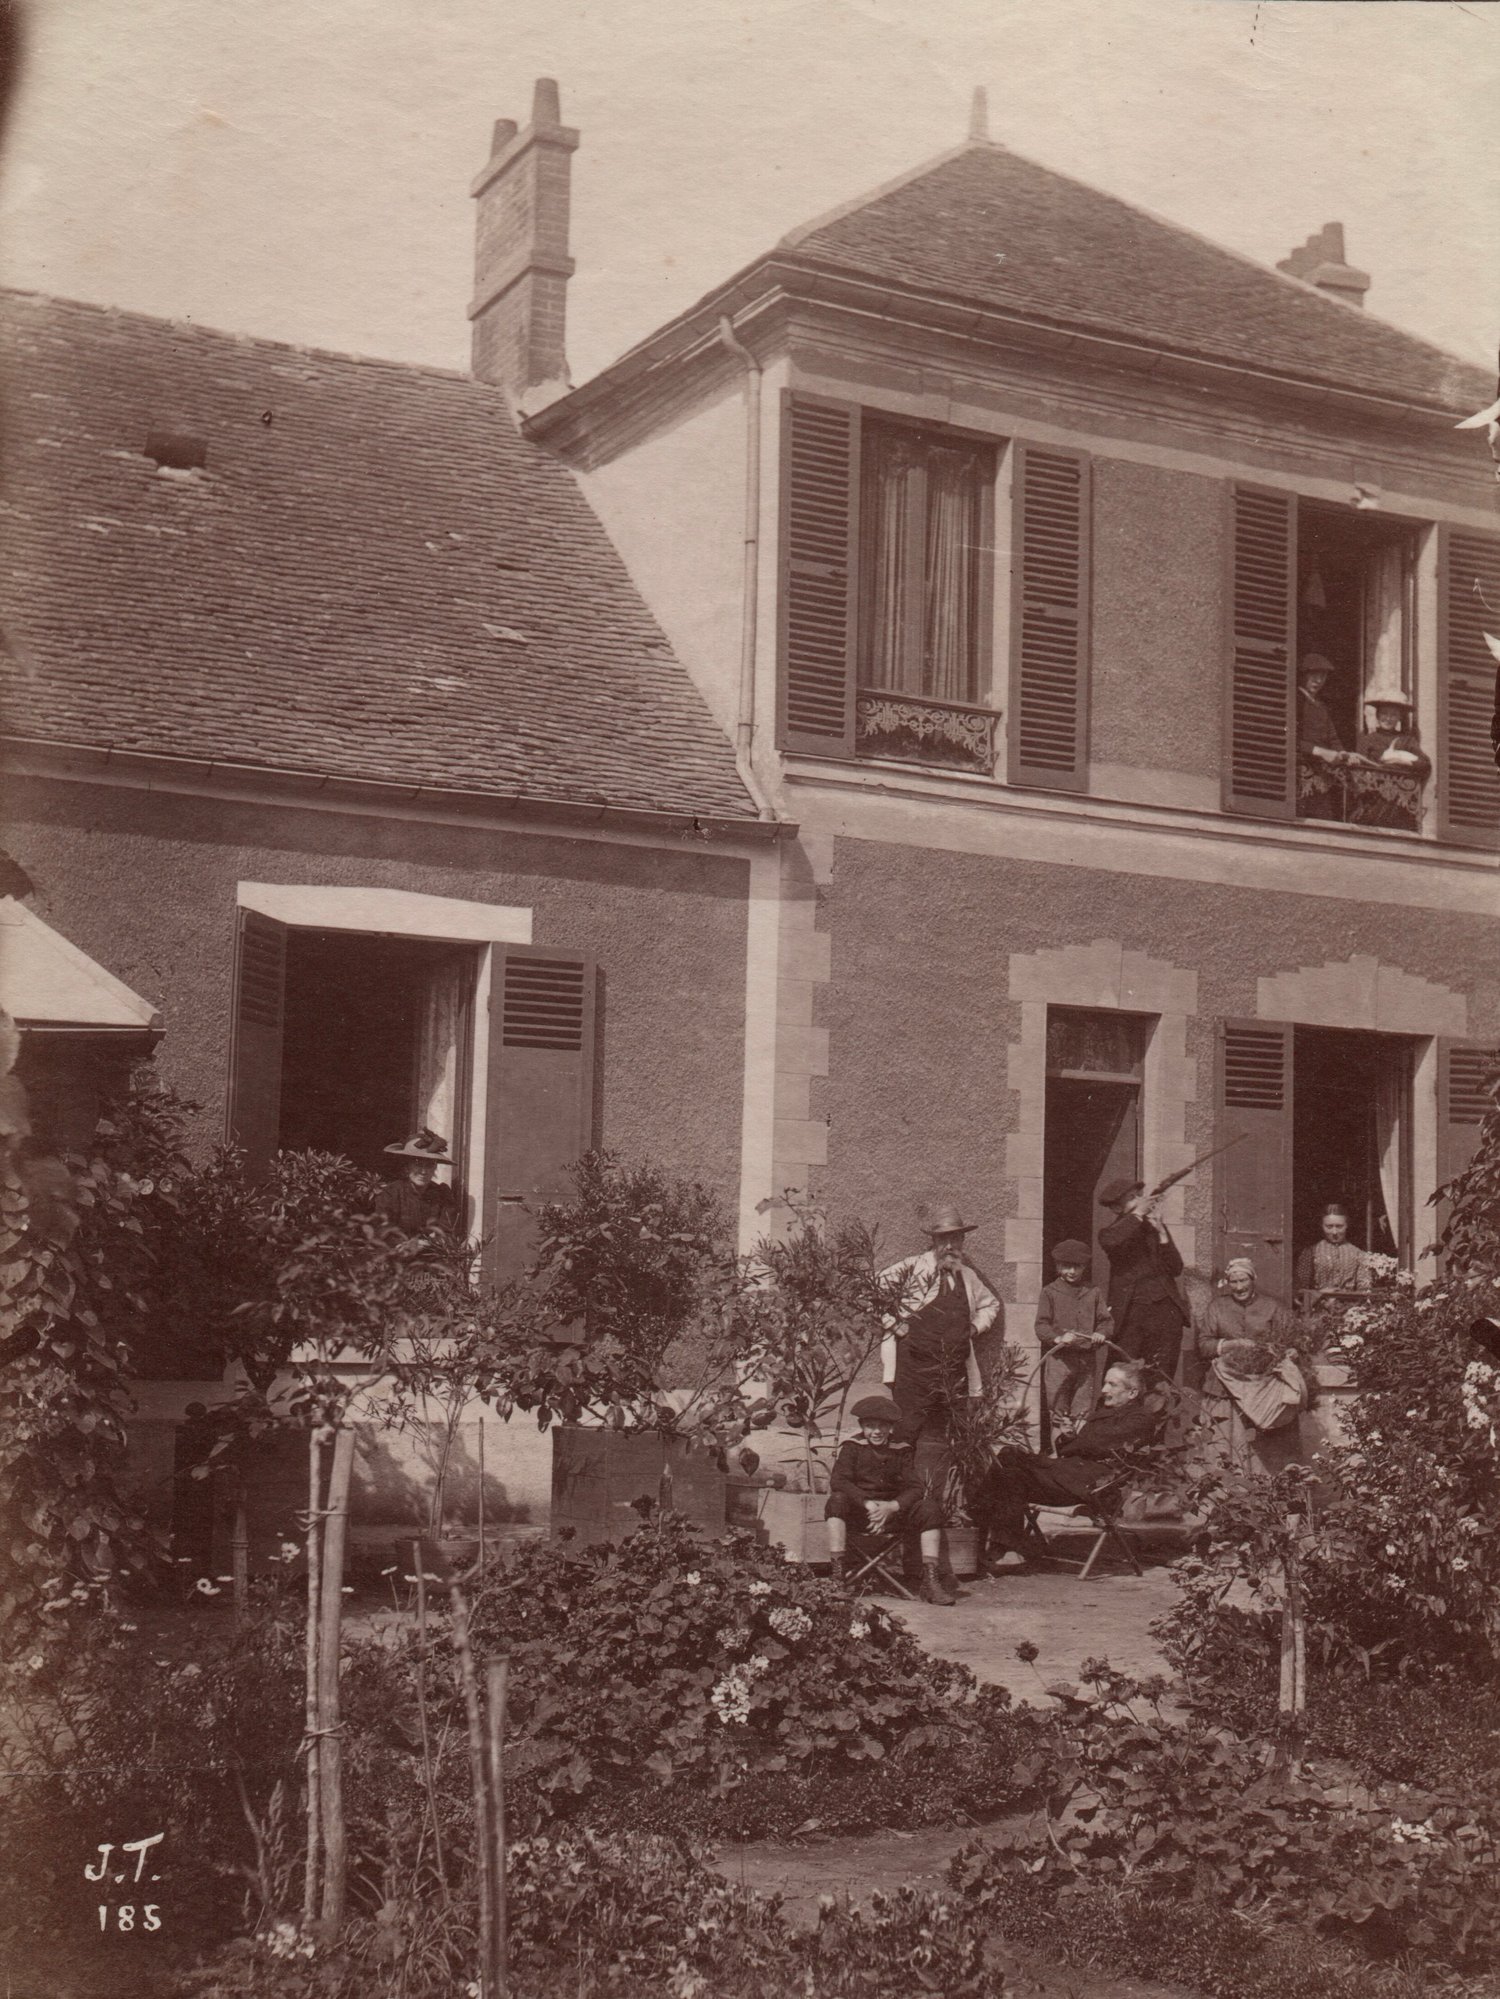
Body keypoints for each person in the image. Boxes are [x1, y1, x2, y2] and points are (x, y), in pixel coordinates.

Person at [972, 1362, 1158, 1569]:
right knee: (1008, 1456)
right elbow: (1082, 1446)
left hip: (1093, 1484)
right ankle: (993, 1537)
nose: (1104, 1390)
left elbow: (1095, 1444)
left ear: (1132, 1393)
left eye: (1112, 1385)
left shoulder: (1141, 1419)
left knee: (1011, 1475)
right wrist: (1069, 1436)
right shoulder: (1104, 1413)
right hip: (1071, 1475)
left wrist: (1076, 1439)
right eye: (1105, 1383)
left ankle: (982, 1530)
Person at [879, 1204, 1001, 1447]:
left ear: (963, 1241)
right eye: (943, 1239)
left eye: (955, 1239)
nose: (949, 1246)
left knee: (949, 1434)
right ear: (933, 1241)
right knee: (907, 1430)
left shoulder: (967, 1276)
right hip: (913, 1370)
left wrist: (975, 1328)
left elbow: (991, 1304)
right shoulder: (912, 1268)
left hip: (953, 1372)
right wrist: (893, 1324)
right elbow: (869, 1292)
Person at [824, 1395, 952, 1605]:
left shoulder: (901, 1450)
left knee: (929, 1508)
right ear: (862, 1426)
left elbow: (915, 1487)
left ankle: (930, 1581)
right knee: (836, 1500)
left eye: (882, 1426)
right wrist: (868, 1503)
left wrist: (892, 1507)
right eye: (870, 1426)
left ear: (891, 1427)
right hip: (859, 1514)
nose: (876, 1432)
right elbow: (839, 1481)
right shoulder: (852, 1447)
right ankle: (838, 1577)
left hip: (893, 1516)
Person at [1097, 1179, 1187, 1385]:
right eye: (1132, 1198)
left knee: (1161, 1377)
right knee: (1121, 1373)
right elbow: (1112, 1240)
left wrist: (1161, 1231)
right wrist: (1138, 1214)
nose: (1140, 1200)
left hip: (1165, 1313)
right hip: (1131, 1315)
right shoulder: (1109, 1233)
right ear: (1116, 1208)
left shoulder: (1153, 1229)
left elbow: (1176, 1268)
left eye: (1139, 1195)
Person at [1035, 1239, 1112, 1427]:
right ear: (1058, 1266)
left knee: (1082, 1411)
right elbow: (1041, 1325)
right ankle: (1057, 1444)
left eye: (1077, 1267)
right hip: (1060, 1360)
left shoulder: (1093, 1292)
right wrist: (1058, 1338)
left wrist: (1101, 1333)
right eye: (1066, 1266)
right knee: (1058, 1412)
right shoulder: (1050, 1292)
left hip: (1086, 1360)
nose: (1072, 1271)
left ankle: (1076, 1444)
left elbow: (1106, 1320)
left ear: (1084, 1267)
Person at [1199, 1257, 1298, 1379]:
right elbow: (1204, 1346)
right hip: (1227, 1371)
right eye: (1233, 1282)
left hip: (1266, 1372)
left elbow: (1289, 1341)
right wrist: (1234, 1344)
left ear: (1253, 1280)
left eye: (1243, 1280)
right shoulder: (1217, 1306)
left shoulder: (1273, 1306)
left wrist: (1291, 1350)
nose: (1239, 1287)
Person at [378, 1128, 457, 1238]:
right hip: (398, 1248)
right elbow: (383, 1232)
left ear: (435, 1168)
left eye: (429, 1165)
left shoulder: (442, 1193)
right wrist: (412, 1244)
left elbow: (447, 1234)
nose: (423, 1171)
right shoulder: (391, 1193)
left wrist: (430, 1244)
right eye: (418, 1164)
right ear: (407, 1166)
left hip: (432, 1249)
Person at [1294, 1203, 1370, 1300]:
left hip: (1350, 1306)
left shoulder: (1359, 1254)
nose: (1334, 1232)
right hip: (1318, 1305)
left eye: (1339, 1226)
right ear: (1322, 1226)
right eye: (1329, 1227)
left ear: (1347, 1225)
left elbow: (1365, 1290)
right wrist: (1321, 1293)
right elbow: (1299, 1291)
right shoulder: (1310, 1252)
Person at [1297, 654, 1354, 767]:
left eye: (1323, 676)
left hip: (1322, 767)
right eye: (1314, 675)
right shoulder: (1295, 701)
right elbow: (1289, 738)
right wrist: (1320, 752)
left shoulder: (1321, 706)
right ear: (1304, 674)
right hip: (1301, 765)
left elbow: (1333, 737)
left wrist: (1343, 753)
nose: (1318, 680)